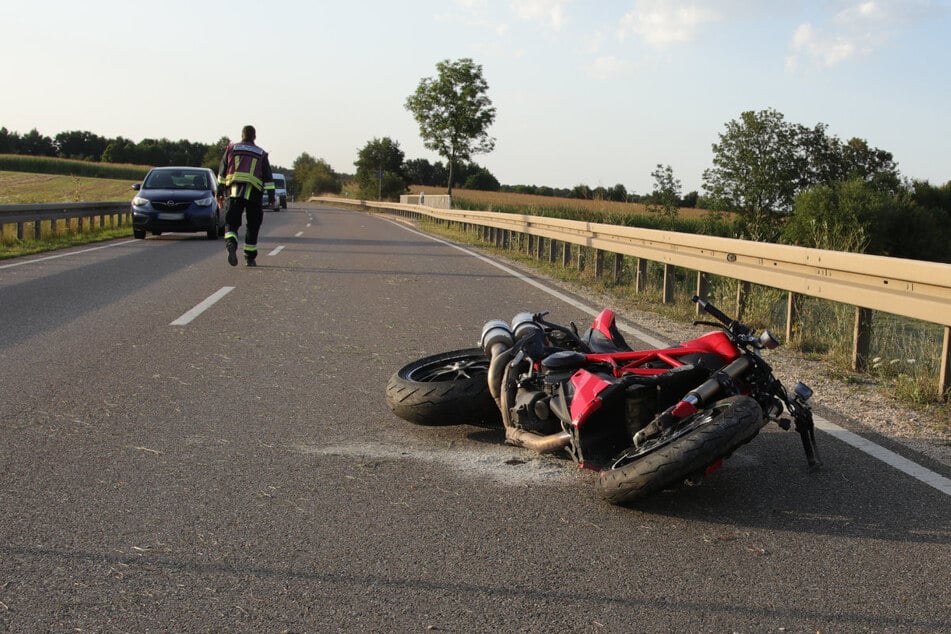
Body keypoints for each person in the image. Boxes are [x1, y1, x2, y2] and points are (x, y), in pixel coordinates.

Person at [217, 125, 275, 267]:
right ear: (254, 136)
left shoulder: (231, 149)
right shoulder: (261, 153)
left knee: (231, 222)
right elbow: (268, 179)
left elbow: (222, 174)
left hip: (234, 191)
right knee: (253, 225)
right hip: (254, 193)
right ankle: (249, 257)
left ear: (242, 135)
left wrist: (219, 193)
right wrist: (272, 198)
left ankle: (231, 244)